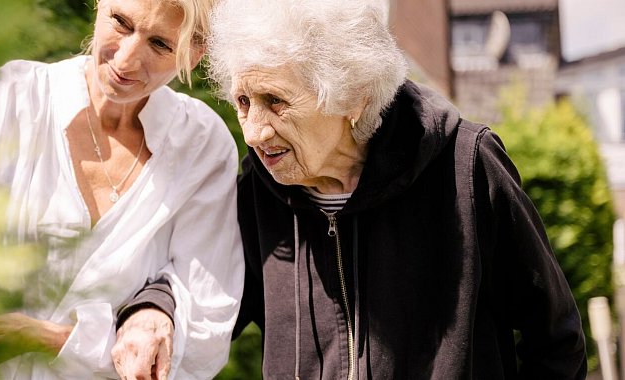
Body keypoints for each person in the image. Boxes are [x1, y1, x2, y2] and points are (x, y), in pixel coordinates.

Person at [121, 0, 588, 378]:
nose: (254, 132)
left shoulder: (467, 167)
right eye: (243, 101)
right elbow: (207, 283)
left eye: (276, 102)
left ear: (352, 95)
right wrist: (154, 311)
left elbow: (555, 341)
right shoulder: (260, 190)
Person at [0, 0, 244, 378]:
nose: (126, 60)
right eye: (121, 22)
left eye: (160, 45)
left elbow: (205, 338)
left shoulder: (201, 147)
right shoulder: (7, 100)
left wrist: (59, 340)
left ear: (193, 56)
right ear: (99, 5)